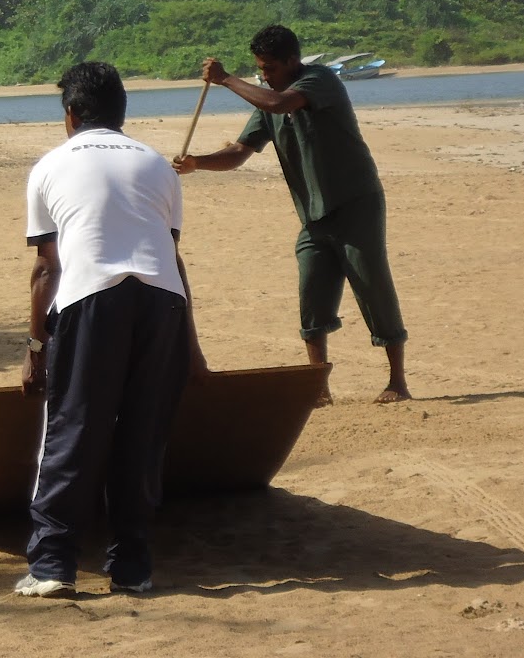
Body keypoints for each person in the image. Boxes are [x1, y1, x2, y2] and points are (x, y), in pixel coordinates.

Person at [16, 62, 205, 599]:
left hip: (91, 297)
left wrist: (36, 347)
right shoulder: (157, 165)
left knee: (74, 428)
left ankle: (53, 564)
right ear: (123, 114)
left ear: (70, 115)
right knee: (142, 436)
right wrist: (191, 346)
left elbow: (48, 269)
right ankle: (132, 568)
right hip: (164, 303)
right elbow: (171, 257)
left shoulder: (50, 166)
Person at [172, 24, 410, 404]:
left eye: (268, 68)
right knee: (312, 292)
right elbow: (238, 152)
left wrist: (226, 79)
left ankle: (397, 380)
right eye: (260, 69)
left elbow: (279, 104)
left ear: (291, 61)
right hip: (313, 214)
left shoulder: (320, 80)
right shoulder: (268, 101)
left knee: (372, 285)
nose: (264, 75)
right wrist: (196, 163)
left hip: (355, 203)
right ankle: (319, 387)